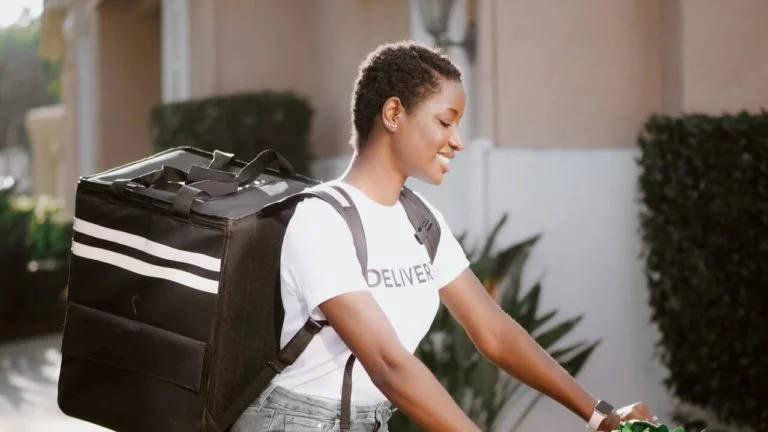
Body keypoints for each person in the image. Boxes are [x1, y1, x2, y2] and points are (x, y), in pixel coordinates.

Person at [232, 41, 657, 432]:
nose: (457, 142)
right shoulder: (321, 219)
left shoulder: (420, 219)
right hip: (293, 423)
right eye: (445, 121)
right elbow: (388, 365)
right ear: (394, 114)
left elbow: (492, 331)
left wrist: (599, 414)